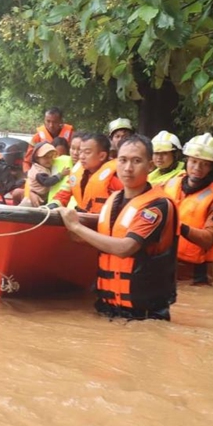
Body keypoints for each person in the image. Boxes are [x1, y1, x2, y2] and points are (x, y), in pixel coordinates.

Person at [58, 135, 178, 321]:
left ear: (150, 165)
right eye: (123, 160)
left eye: (136, 161)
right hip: (107, 307)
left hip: (143, 315)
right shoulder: (113, 199)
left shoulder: (157, 206)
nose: (128, 168)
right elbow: (102, 239)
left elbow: (125, 248)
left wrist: (76, 227)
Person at [163, 133, 213, 286]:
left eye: (204, 164)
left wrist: (177, 226)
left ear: (212, 168)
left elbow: (209, 239)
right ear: (187, 161)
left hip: (194, 274)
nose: (197, 168)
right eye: (193, 161)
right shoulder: (170, 184)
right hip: (165, 265)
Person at [49, 133, 122, 214]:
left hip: (101, 222)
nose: (81, 157)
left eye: (87, 152)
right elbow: (63, 194)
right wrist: (53, 205)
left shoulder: (115, 178)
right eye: (81, 152)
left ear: (102, 156)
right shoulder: (77, 174)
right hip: (81, 218)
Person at [21, 142, 65, 207]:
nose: (49, 160)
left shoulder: (45, 167)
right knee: (22, 212)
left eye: (51, 157)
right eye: (45, 157)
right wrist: (61, 175)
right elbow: (47, 182)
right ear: (37, 158)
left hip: (41, 198)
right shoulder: (38, 171)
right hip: (33, 199)